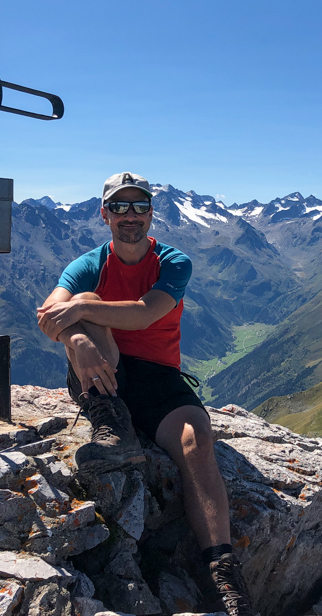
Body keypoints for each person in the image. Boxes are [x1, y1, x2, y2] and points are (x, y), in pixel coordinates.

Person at [36, 171, 256, 616]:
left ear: (152, 213)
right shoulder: (86, 266)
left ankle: (222, 569)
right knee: (86, 311)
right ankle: (112, 424)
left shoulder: (174, 262)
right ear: (105, 215)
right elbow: (47, 315)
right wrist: (76, 338)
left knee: (197, 442)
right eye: (120, 207)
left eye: (139, 206)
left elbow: (145, 313)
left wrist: (77, 309)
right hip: (103, 365)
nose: (130, 215)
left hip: (158, 375)